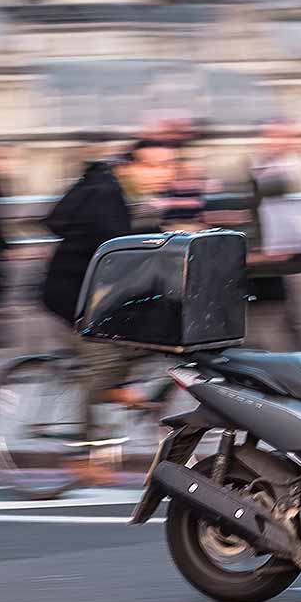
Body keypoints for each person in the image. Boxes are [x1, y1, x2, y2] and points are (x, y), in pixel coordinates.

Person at [39, 139, 178, 487]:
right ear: (131, 165)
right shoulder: (106, 193)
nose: (165, 173)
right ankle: (82, 454)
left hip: (102, 293)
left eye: (169, 165)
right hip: (73, 295)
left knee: (159, 334)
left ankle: (117, 387)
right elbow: (121, 243)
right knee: (99, 366)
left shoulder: (132, 196)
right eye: (156, 165)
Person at [244, 121, 301, 352]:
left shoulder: (297, 167)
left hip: (294, 258)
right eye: (278, 136)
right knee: (275, 325)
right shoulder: (261, 169)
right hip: (271, 260)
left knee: (297, 325)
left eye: (291, 137)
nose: (284, 142)